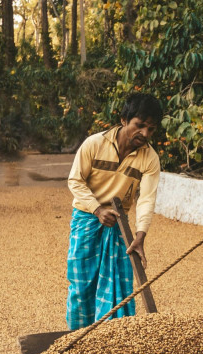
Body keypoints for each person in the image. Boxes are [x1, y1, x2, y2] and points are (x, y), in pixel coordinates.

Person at [65, 93, 163, 330]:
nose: (145, 134)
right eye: (139, 126)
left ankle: (113, 341)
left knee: (118, 288)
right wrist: (97, 209)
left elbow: (146, 199)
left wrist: (140, 236)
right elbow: (75, 181)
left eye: (151, 129)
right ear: (124, 120)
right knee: (81, 285)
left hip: (120, 225)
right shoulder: (94, 144)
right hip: (86, 218)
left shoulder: (150, 158)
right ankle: (77, 337)